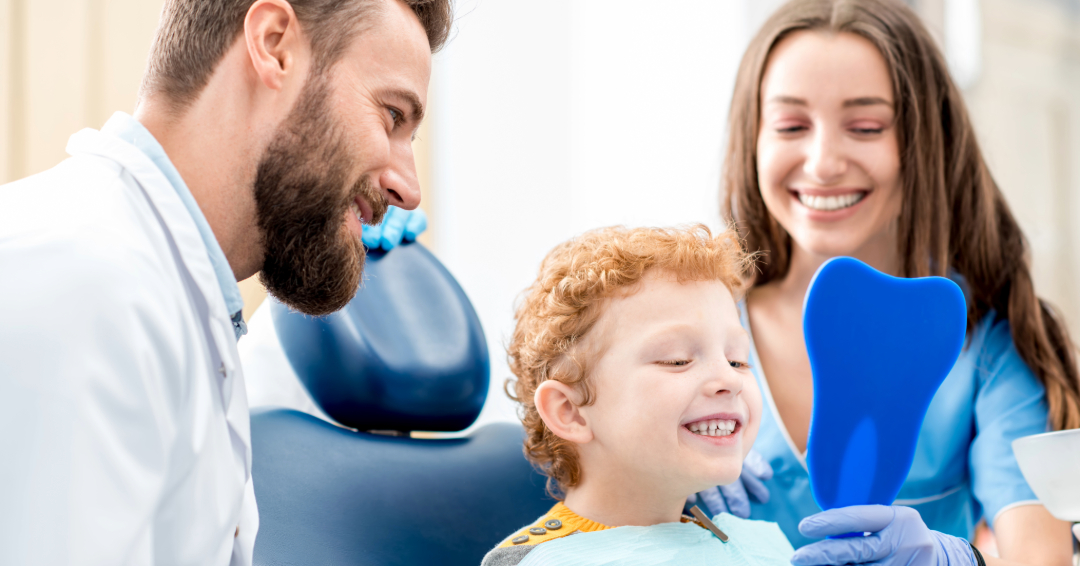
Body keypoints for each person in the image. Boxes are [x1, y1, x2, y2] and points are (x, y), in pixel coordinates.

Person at [0, 0, 451, 564]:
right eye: (391, 117)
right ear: (274, 44)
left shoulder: (169, 295)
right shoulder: (81, 288)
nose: (408, 186)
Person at [693, 0, 1080, 564]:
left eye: (867, 126)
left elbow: (1037, 560)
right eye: (790, 125)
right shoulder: (691, 326)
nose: (823, 162)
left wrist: (954, 560)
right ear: (753, 140)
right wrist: (653, 490)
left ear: (925, 142)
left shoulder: (987, 346)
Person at [482, 225, 795, 566]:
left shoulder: (757, 545)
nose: (729, 379)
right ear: (569, 411)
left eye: (738, 360)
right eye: (677, 359)